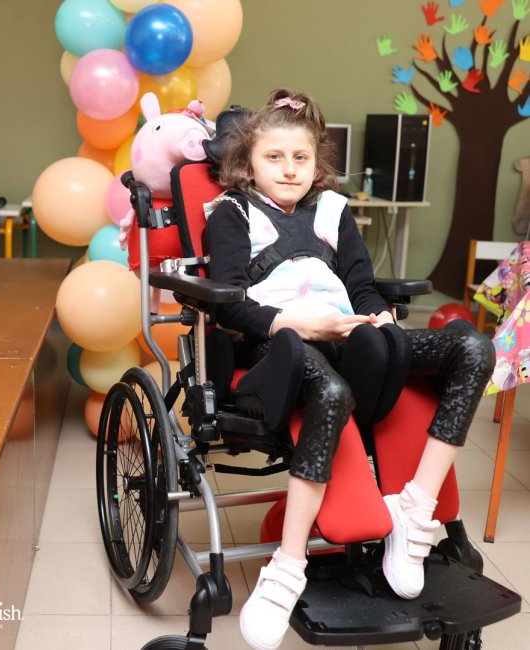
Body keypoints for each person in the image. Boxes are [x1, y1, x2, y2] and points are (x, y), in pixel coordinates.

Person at [204, 88, 495, 650]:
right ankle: (288, 566)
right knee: (331, 391)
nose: (288, 169)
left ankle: (414, 510)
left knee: (473, 350)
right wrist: (300, 325)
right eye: (273, 157)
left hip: (351, 339)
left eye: (300, 158)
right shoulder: (232, 214)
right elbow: (229, 304)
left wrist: (378, 316)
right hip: (278, 345)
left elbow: (361, 285)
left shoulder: (334, 211)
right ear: (247, 164)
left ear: (317, 164)